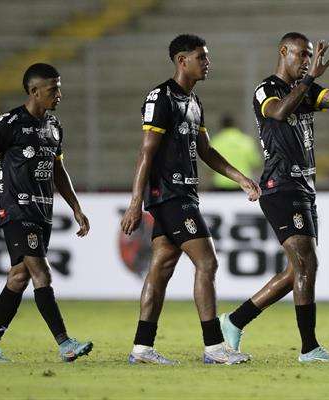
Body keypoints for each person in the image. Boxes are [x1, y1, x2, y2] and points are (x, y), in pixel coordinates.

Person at [219, 32, 329, 364]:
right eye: (301, 54)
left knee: (297, 270)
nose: (306, 60)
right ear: (283, 51)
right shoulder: (267, 89)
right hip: (280, 186)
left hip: (304, 187)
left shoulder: (306, 89)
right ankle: (309, 348)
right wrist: (309, 80)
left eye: (308, 55)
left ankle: (234, 320)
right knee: (307, 263)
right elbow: (277, 112)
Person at [120, 34, 261, 365]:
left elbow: (207, 151)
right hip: (170, 196)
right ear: (182, 61)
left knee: (161, 268)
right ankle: (214, 347)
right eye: (202, 57)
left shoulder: (194, 103)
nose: (208, 62)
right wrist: (134, 202)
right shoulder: (161, 98)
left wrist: (241, 178)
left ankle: (141, 348)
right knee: (207, 262)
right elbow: (146, 152)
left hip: (183, 194)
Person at [0, 63, 93, 363]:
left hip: (43, 211)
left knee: (18, 278)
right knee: (42, 273)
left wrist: (76, 208)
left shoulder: (54, 127)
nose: (59, 94)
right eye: (53, 89)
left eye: (59, 87)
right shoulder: (8, 123)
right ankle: (65, 343)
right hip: (15, 209)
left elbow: (57, 170)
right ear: (34, 91)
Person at [210, 114, 262, 190]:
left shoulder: (215, 141)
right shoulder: (245, 140)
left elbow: (208, 164)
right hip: (242, 183)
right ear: (235, 125)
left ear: (221, 126)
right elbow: (256, 162)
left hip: (220, 184)